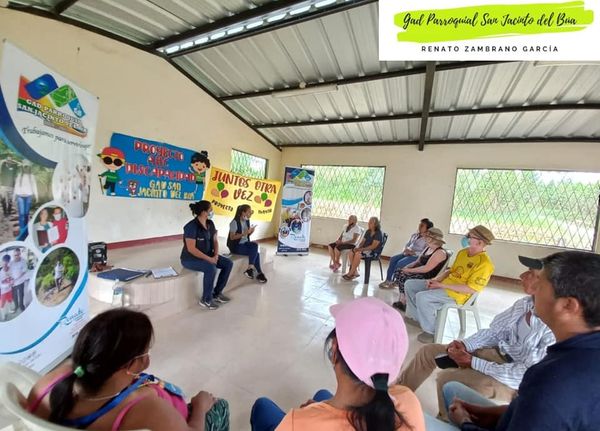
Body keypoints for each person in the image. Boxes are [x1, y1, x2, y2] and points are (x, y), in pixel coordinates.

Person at [437, 251, 600, 431]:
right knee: (451, 388)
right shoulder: (579, 352)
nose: (532, 288)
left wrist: (465, 423)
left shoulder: (552, 378)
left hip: (508, 381)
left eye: (540, 283)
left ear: (567, 305)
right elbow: (528, 412)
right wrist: (488, 414)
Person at [399, 258, 554, 420]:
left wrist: (473, 362)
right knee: (428, 352)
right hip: (495, 355)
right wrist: (465, 344)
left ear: (548, 284)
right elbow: (495, 332)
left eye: (531, 274)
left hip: (511, 381)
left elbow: (523, 374)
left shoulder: (552, 328)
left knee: (447, 380)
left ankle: (446, 421)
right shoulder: (525, 304)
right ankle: (395, 395)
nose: (522, 276)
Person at [26, 308, 229, 430]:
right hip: (182, 420)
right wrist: (200, 407)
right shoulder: (146, 408)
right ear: (131, 364)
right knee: (220, 406)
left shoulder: (48, 384)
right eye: (146, 352)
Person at [250, 297, 426, 431]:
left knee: (262, 407)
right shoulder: (408, 400)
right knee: (322, 394)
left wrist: (313, 414)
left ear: (334, 349)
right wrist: (320, 409)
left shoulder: (298, 423)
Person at [405, 225, 495, 343]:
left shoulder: (485, 264)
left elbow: (471, 289)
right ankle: (419, 318)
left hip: (458, 294)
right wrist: (436, 280)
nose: (466, 238)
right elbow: (450, 271)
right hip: (444, 285)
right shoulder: (463, 253)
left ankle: (431, 332)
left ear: (480, 242)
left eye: (470, 236)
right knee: (410, 285)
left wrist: (442, 286)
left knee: (422, 297)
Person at [181, 200, 233, 310]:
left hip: (208, 255)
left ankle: (217, 293)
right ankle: (206, 299)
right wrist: (209, 259)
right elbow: (191, 249)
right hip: (190, 259)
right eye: (210, 210)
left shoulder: (210, 224)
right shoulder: (191, 226)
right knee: (210, 268)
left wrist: (216, 255)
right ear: (203, 212)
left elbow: (215, 241)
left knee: (228, 263)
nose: (212, 212)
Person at [388, 228, 449, 311]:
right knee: (399, 272)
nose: (424, 238)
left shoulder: (440, 252)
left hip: (426, 276)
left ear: (432, 239)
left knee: (404, 276)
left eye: (427, 237)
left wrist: (409, 271)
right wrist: (407, 267)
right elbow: (417, 261)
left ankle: (406, 302)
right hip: (419, 272)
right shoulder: (427, 248)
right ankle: (403, 300)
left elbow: (426, 268)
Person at [379, 218, 433, 289]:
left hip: (416, 256)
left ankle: (396, 282)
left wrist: (413, 253)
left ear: (427, 229)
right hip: (407, 253)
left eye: (422, 225)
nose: (419, 226)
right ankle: (388, 280)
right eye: (420, 224)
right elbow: (408, 244)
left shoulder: (427, 239)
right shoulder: (415, 235)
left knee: (400, 263)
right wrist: (405, 249)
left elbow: (425, 252)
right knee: (393, 259)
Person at [227, 204, 267, 283]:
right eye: (249, 212)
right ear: (243, 212)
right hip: (235, 246)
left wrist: (251, 232)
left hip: (245, 243)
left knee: (255, 245)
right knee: (256, 253)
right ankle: (259, 273)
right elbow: (232, 237)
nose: (250, 213)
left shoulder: (247, 221)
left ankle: (250, 269)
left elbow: (246, 236)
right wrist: (244, 233)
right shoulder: (234, 222)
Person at [342, 216, 382, 281]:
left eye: (371, 223)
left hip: (373, 252)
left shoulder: (378, 233)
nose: (368, 224)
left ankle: (350, 273)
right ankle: (355, 272)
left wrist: (361, 249)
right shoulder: (368, 231)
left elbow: (373, 246)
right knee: (351, 252)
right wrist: (358, 247)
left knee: (358, 254)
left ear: (375, 224)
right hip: (364, 249)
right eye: (369, 222)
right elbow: (363, 241)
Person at [13, 161, 38, 235]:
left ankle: (25, 229)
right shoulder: (19, 176)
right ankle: (22, 230)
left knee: (26, 214)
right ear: (22, 168)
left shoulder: (32, 176)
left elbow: (34, 186)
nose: (26, 168)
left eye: (27, 167)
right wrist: (14, 196)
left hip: (28, 196)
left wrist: (36, 196)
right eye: (25, 167)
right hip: (20, 196)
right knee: (22, 214)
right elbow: (16, 186)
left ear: (29, 168)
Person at [10, 247, 28, 312]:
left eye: (18, 255)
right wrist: (11, 280)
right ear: (13, 255)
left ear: (20, 254)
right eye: (15, 255)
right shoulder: (11, 262)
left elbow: (24, 272)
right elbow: (9, 272)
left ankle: (21, 306)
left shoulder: (23, 261)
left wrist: (16, 279)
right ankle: (16, 306)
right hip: (13, 283)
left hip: (20, 281)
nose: (16, 256)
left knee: (21, 295)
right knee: (14, 296)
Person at [0, 254, 14, 321]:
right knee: (2, 303)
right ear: (2, 262)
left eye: (7, 262)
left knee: (10, 300)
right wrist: (7, 285)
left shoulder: (10, 269)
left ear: (8, 262)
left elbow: (12, 278)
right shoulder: (0, 272)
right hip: (3, 291)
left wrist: (12, 282)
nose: (5, 264)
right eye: (4, 262)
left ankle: (9, 310)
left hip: (9, 290)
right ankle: (3, 315)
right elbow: (0, 284)